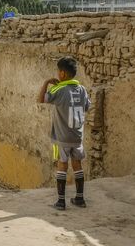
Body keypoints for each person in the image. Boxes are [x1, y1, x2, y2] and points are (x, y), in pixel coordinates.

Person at [38, 56, 91, 210]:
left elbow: (41, 99)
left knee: (62, 165)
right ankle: (80, 199)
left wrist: (46, 82)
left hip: (62, 136)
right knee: (77, 165)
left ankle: (61, 202)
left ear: (62, 73)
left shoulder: (58, 89)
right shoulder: (82, 89)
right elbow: (87, 106)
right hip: (77, 136)